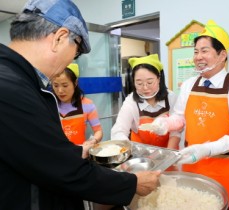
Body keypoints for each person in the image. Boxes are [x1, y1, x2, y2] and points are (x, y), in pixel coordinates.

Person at [0, 0, 160, 209]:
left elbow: (36, 152)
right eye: (75, 53)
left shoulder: (19, 80)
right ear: (60, 38)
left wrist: (73, 153)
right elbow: (61, 171)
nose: (70, 62)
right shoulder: (10, 89)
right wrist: (133, 183)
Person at [151, 20, 229, 210]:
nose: (198, 56)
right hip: (193, 166)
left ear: (222, 55)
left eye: (204, 51)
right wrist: (165, 124)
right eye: (196, 51)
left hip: (226, 170)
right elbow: (179, 119)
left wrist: (207, 149)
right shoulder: (189, 85)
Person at [111, 54, 180, 149]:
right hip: (141, 155)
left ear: (159, 78)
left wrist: (168, 155)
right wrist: (127, 148)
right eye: (139, 83)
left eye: (150, 82)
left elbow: (176, 131)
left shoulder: (171, 97)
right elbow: (119, 130)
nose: (145, 88)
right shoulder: (131, 102)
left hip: (168, 152)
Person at [52, 63, 103, 145]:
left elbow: (98, 131)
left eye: (65, 85)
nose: (60, 90)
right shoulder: (49, 104)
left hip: (79, 153)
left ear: (75, 83)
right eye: (56, 85)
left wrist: (93, 141)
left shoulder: (87, 104)